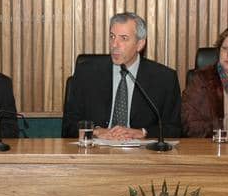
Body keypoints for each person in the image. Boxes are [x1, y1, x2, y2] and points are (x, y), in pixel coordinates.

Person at [62, 12, 181, 140]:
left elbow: (174, 129)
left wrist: (142, 132)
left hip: (142, 155)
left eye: (123, 38)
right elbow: (68, 126)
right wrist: (96, 131)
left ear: (140, 44)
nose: (114, 45)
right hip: (96, 152)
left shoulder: (164, 79)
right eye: (112, 37)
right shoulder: (86, 73)